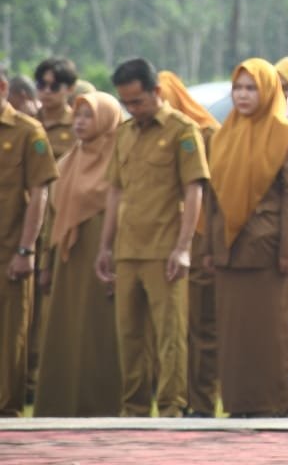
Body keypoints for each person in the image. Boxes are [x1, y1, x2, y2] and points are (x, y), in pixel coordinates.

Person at [96, 58, 208, 418]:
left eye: (137, 101)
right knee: (129, 335)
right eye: (126, 102)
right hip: (127, 250)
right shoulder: (125, 133)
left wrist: (183, 247)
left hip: (166, 250)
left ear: (156, 92)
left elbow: (194, 192)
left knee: (169, 336)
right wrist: (105, 246)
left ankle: (173, 407)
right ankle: (134, 408)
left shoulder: (182, 131)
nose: (132, 108)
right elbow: (115, 191)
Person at [204, 58, 288, 417]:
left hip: (268, 250)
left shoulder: (286, 133)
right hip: (230, 251)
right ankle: (240, 402)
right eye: (238, 88)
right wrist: (210, 248)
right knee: (234, 333)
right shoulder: (222, 133)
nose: (243, 95)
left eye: (251, 88)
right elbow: (213, 195)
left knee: (274, 330)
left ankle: (280, 401)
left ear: (268, 90)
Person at [34, 91, 122, 415]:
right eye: (78, 116)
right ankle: (60, 405)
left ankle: (100, 406)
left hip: (100, 259)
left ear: (106, 119)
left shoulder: (118, 158)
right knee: (65, 332)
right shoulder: (68, 161)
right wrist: (45, 264)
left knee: (98, 333)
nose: (80, 123)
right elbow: (51, 220)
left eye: (88, 116)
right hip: (67, 262)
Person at [157, 69, 222, 418]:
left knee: (201, 326)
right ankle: (173, 398)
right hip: (164, 239)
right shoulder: (154, 133)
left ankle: (202, 401)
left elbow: (212, 196)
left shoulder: (207, 132)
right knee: (171, 327)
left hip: (198, 240)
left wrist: (208, 244)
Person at [0, 67, 55, 416]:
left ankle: (7, 412)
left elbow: (40, 194)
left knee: (10, 339)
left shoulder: (27, 132)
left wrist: (25, 249)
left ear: (3, 88)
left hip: (10, 252)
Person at [34, 57, 79, 156]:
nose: (47, 91)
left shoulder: (78, 127)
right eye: (41, 85)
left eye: (55, 87)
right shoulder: (28, 123)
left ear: (70, 89)